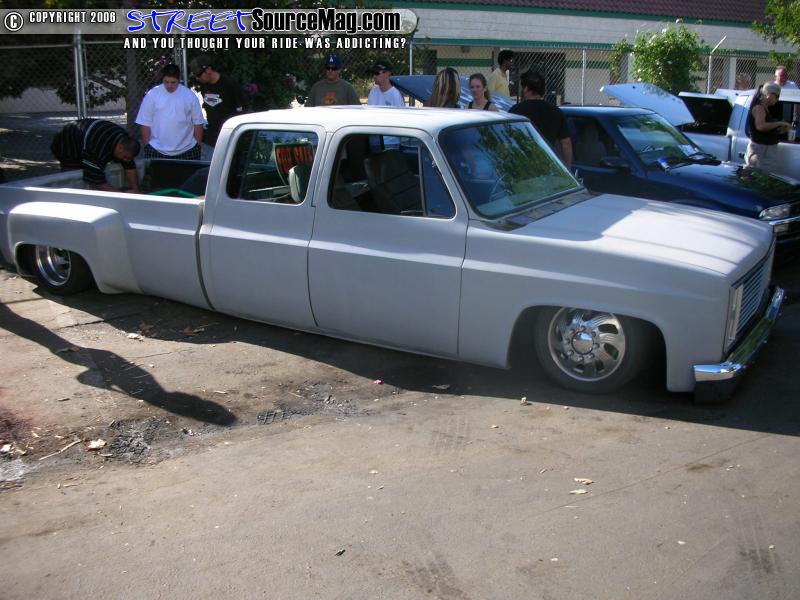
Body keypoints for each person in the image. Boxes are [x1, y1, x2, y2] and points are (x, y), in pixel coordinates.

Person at [135, 64, 205, 160]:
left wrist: (197, 146)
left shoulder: (190, 96)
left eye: (173, 82)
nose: (169, 85)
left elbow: (198, 122)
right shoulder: (152, 95)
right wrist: (147, 146)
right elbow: (145, 123)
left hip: (187, 149)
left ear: (179, 80)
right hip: (156, 149)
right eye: (166, 82)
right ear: (162, 79)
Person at [50, 119, 140, 192]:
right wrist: (121, 195)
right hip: (66, 143)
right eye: (125, 157)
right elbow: (97, 181)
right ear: (120, 148)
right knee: (75, 175)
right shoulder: (98, 149)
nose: (126, 160)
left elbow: (129, 164)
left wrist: (135, 190)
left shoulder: (124, 140)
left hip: (89, 135)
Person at [509, 70, 572, 168]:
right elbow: (566, 144)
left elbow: (508, 140)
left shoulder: (516, 111)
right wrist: (567, 168)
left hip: (523, 166)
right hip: (548, 165)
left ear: (526, 88)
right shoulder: (556, 112)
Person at [189, 55, 246, 153]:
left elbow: (242, 110)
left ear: (209, 70)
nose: (197, 78)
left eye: (199, 74)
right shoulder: (204, 85)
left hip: (230, 134)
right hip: (213, 135)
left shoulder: (230, 84)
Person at [745, 82, 791, 171]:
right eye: (777, 96)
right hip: (760, 152)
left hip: (765, 151)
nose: (777, 99)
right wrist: (779, 123)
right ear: (769, 94)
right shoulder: (759, 108)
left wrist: (780, 129)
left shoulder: (765, 108)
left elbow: (766, 128)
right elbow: (760, 126)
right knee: (760, 178)